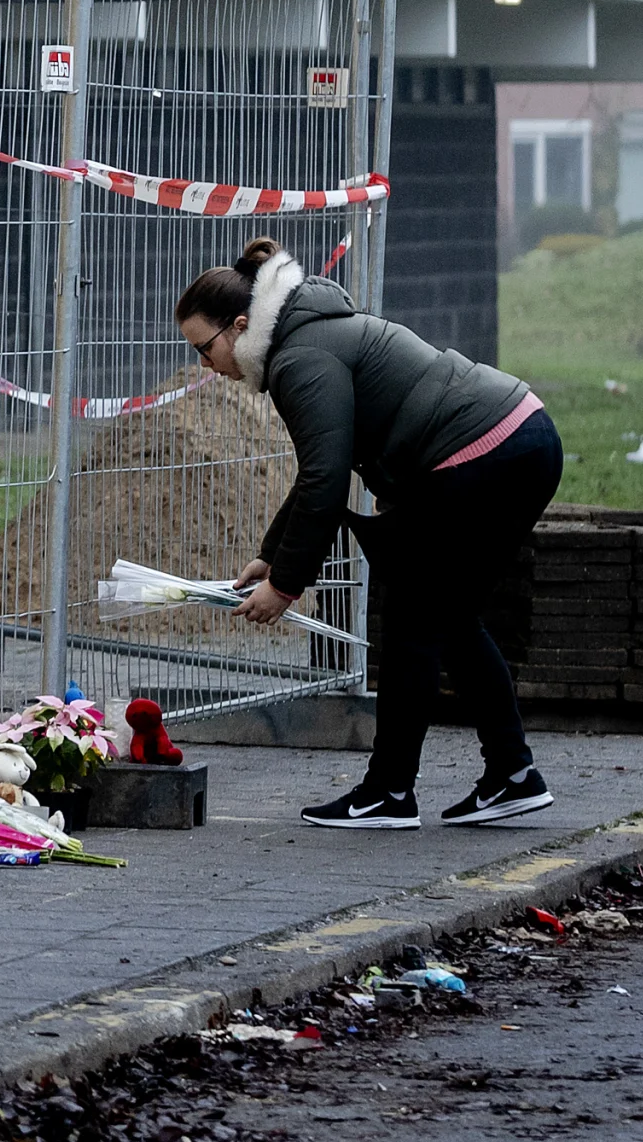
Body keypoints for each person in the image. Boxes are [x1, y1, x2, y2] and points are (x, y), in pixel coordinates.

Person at [175, 235, 564, 829]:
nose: (207, 367)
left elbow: (327, 478)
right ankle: (512, 774)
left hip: (479, 455)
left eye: (205, 349)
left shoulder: (297, 360)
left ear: (240, 324)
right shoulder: (312, 331)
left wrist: (285, 584)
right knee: (448, 617)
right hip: (522, 436)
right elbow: (325, 469)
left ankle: (389, 793)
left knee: (412, 620)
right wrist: (271, 555)